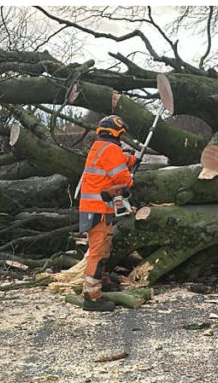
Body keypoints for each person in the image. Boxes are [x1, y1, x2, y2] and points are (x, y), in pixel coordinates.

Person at [77, 114, 136, 311]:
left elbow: (117, 162)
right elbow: (122, 177)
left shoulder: (99, 147)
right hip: (98, 209)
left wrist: (131, 159)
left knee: (105, 247)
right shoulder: (110, 149)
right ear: (117, 132)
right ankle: (91, 297)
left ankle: (102, 281)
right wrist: (129, 180)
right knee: (98, 252)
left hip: (98, 208)